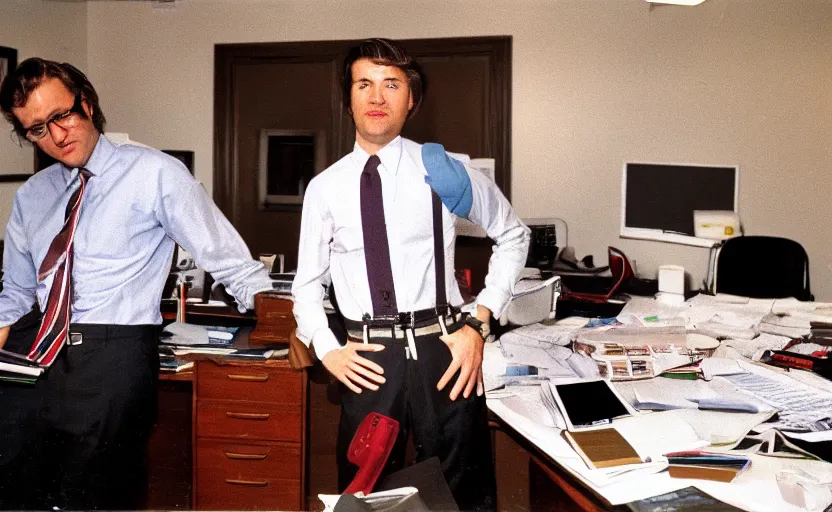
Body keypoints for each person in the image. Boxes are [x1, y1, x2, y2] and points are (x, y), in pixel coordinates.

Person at [0, 58, 273, 510]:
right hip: (33, 359)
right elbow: (15, 294)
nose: (55, 135)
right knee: (18, 492)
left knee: (97, 496)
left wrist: (282, 317)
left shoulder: (156, 173)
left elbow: (227, 260)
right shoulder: (34, 194)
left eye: (61, 116)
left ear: (86, 103)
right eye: (36, 129)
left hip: (112, 355)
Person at [292, 38, 530, 511]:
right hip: (369, 360)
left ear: (411, 100)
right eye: (365, 84)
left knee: (459, 497)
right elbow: (306, 285)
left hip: (445, 352)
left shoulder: (443, 170)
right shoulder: (325, 189)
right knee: (365, 496)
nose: (377, 97)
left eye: (391, 84)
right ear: (349, 100)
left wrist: (480, 323)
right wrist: (328, 350)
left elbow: (514, 234)